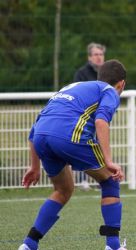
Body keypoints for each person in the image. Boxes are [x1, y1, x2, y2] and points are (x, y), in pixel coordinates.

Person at [18, 59, 127, 250]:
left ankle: (29, 244)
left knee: (63, 190)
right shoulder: (109, 91)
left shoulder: (70, 88)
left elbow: (36, 127)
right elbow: (101, 121)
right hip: (69, 136)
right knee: (110, 180)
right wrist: (108, 160)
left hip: (41, 137)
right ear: (122, 84)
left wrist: (34, 167)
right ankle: (113, 246)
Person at [74, 42, 107, 190]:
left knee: (101, 145)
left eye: (101, 54)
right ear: (89, 57)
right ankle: (82, 180)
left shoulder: (107, 74)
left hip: (101, 117)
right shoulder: (81, 73)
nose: (99, 57)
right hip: (84, 117)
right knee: (83, 145)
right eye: (96, 54)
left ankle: (102, 179)